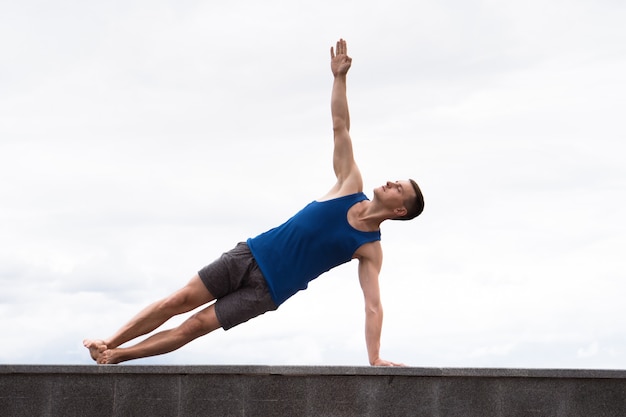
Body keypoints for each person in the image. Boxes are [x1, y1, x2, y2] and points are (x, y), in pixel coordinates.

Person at [84, 38, 424, 366]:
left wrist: (375, 357)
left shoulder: (369, 248)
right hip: (248, 254)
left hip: (268, 291)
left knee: (195, 326)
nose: (392, 181)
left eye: (399, 188)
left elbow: (373, 306)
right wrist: (339, 78)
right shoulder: (350, 184)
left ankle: (115, 357)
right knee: (178, 300)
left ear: (399, 210)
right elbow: (340, 127)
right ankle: (108, 342)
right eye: (397, 180)